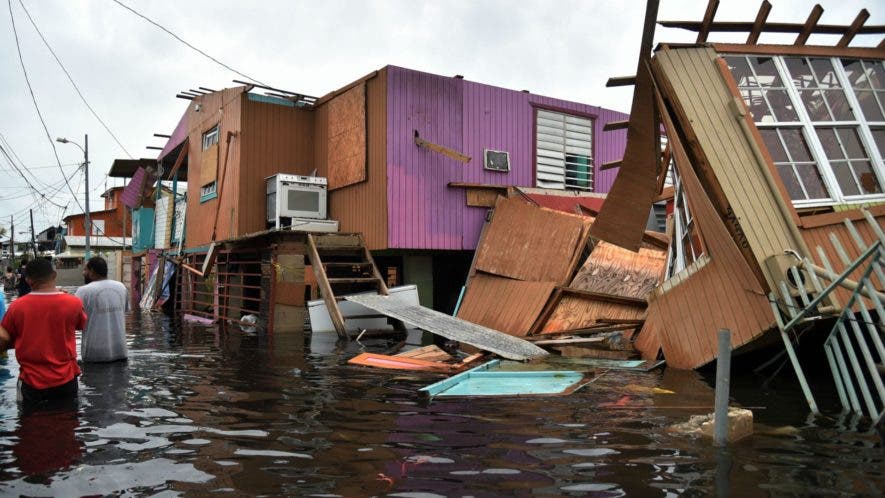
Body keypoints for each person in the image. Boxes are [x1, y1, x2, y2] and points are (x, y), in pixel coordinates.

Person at [0, 258, 86, 405]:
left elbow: (5, 339)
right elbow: (80, 325)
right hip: (66, 379)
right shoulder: (74, 303)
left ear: (28, 280)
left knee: (29, 424)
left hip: (31, 382)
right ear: (54, 275)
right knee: (67, 423)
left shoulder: (17, 307)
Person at [76, 256, 129, 363]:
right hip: (121, 352)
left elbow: (75, 322)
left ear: (92, 271)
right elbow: (124, 311)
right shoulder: (121, 287)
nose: (83, 273)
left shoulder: (83, 291)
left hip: (95, 355)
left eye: (85, 269)